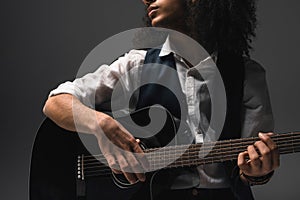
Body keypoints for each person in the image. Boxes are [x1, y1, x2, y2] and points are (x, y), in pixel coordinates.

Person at [43, 0, 280, 199]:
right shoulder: (137, 65)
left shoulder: (247, 75)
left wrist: (256, 171)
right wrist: (99, 125)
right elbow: (56, 102)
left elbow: (253, 162)